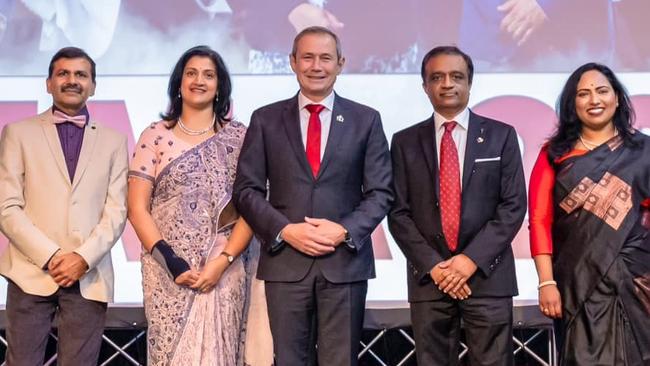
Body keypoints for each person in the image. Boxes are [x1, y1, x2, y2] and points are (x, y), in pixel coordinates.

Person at [233, 26, 393, 365]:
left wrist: (344, 231)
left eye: (325, 57)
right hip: (285, 262)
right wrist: (285, 230)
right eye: (307, 57)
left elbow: (380, 192)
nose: (316, 66)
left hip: (345, 264)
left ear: (341, 63)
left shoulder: (366, 120)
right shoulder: (265, 119)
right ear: (292, 62)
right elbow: (246, 190)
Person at [127, 45, 271, 366]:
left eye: (209, 75)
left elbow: (251, 206)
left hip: (226, 268)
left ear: (220, 86)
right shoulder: (155, 135)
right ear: (179, 83)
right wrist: (173, 263)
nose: (199, 81)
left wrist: (222, 261)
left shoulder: (240, 138)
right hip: (168, 273)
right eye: (191, 73)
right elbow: (137, 209)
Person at [388, 46, 527, 366]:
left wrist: (468, 261)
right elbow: (397, 212)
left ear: (470, 82)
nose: (447, 84)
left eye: (456, 76)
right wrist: (436, 267)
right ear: (425, 86)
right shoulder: (404, 141)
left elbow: (513, 206)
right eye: (437, 77)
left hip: (487, 276)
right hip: (429, 279)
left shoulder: (501, 136)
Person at [0, 47, 128, 365]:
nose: (72, 81)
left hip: (89, 273)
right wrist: (53, 256)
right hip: (29, 271)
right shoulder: (18, 133)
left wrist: (82, 258)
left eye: (81, 75)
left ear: (93, 86)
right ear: (48, 83)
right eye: (63, 74)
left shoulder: (114, 140)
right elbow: (7, 205)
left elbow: (117, 210)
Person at [528, 62, 650, 365]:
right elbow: (540, 221)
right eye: (583, 94)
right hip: (576, 284)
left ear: (617, 98)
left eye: (602, 91)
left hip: (637, 281)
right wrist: (546, 282)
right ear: (573, 104)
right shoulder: (554, 154)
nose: (594, 100)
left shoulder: (643, 150)